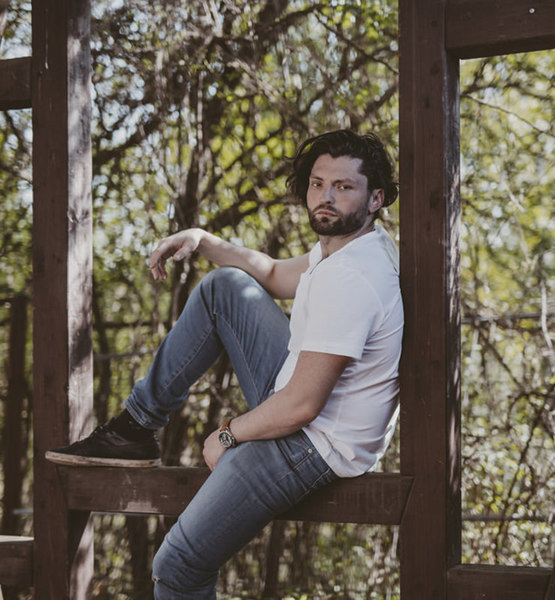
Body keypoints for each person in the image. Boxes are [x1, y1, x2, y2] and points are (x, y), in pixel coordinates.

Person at [46, 129, 404, 599]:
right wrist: (202, 240)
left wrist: (229, 434)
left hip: (315, 443)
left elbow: (301, 406)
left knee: (178, 566)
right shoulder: (348, 246)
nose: (326, 197)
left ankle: (141, 429)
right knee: (225, 288)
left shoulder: (353, 276)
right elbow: (272, 273)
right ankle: (136, 427)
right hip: (305, 407)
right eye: (318, 184)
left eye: (344, 186)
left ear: (376, 198)